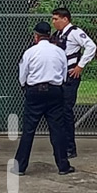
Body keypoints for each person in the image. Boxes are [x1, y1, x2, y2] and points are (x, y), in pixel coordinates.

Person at [12, 22, 74, 176]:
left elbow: (22, 75)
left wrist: (26, 87)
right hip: (55, 91)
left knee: (28, 130)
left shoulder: (30, 52)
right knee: (57, 129)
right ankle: (63, 165)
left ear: (36, 36)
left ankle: (20, 166)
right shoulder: (59, 52)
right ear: (49, 35)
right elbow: (64, 73)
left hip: (34, 92)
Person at [51, 7, 97, 159]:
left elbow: (91, 46)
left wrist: (80, 65)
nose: (54, 22)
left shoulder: (75, 32)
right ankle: (62, 145)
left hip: (70, 77)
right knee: (59, 112)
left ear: (65, 19)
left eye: (56, 19)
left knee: (66, 112)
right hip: (59, 77)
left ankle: (70, 147)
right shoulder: (57, 35)